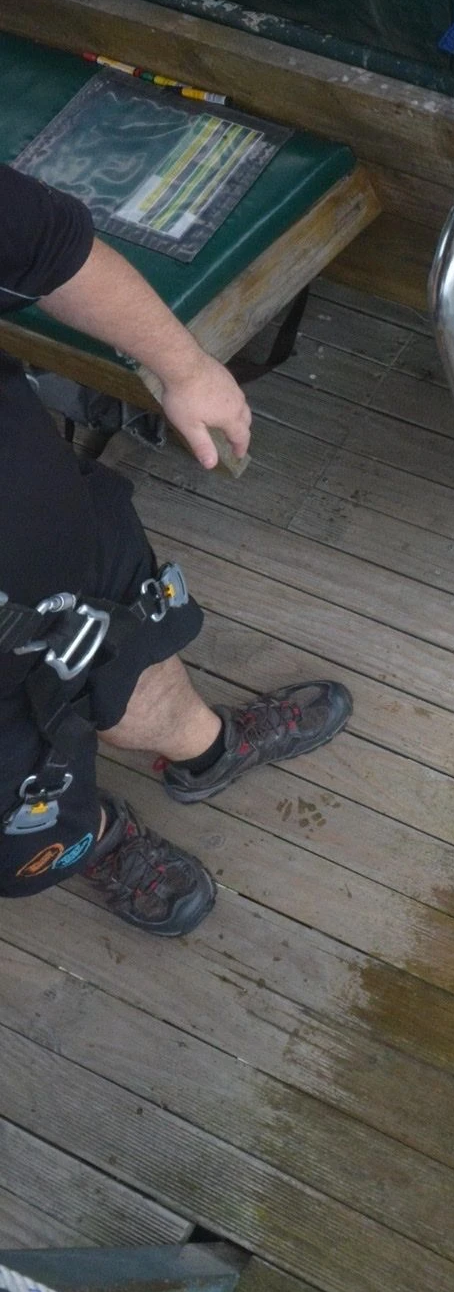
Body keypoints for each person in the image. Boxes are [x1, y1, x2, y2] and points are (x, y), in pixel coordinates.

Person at [0, 161, 353, 937]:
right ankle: (95, 840)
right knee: (26, 813)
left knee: (136, 658)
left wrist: (184, 365)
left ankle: (207, 751)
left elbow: (48, 245)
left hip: (65, 550)